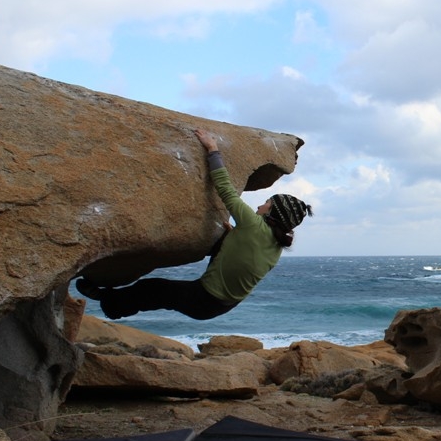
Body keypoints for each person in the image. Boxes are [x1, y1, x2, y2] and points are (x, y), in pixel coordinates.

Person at [75, 127, 312, 320]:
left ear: (272, 213)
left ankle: (109, 304)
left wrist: (212, 149)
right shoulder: (276, 245)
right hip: (224, 305)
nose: (260, 205)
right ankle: (114, 303)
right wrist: (231, 235)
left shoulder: (252, 224)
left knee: (152, 290)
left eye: (266, 203)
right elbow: (242, 256)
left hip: (205, 299)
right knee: (221, 242)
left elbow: (225, 188)